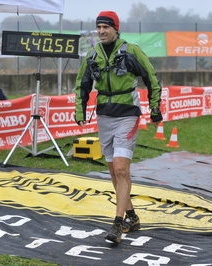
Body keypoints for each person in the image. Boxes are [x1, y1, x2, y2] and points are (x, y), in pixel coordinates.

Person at [74, 11, 163, 244]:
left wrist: (155, 109)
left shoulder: (131, 51)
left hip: (127, 116)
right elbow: (81, 84)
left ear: (116, 29)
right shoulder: (92, 54)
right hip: (104, 116)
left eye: (106, 27)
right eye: (99, 27)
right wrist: (79, 110)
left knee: (122, 170)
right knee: (114, 171)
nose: (102, 31)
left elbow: (151, 77)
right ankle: (132, 217)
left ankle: (117, 224)